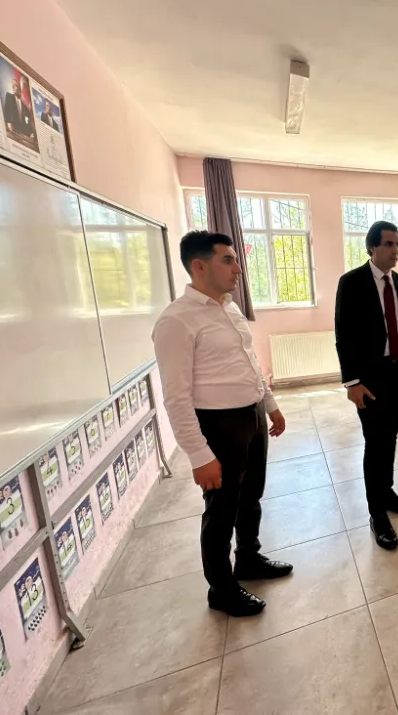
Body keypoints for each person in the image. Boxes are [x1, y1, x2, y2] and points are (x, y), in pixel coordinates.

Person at [152, 231, 292, 617]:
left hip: (251, 415)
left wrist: (270, 406)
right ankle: (222, 588)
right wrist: (199, 455)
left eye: (236, 260)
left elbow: (250, 364)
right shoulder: (176, 321)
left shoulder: (230, 309)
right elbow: (176, 397)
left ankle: (249, 558)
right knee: (221, 510)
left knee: (250, 497)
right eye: (227, 260)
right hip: (218, 425)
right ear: (199, 266)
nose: (238, 269)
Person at [334, 221, 398, 550]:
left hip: (397, 372)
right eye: (389, 244)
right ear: (372, 247)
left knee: (389, 437)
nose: (395, 250)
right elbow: (344, 335)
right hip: (369, 379)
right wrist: (352, 382)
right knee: (375, 442)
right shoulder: (352, 282)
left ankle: (386, 493)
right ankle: (377, 514)